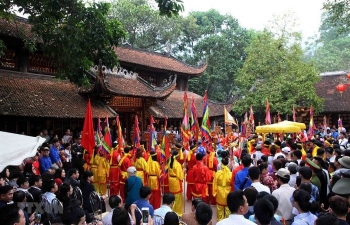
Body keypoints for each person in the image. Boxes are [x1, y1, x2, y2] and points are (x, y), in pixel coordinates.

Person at [167, 150, 184, 216]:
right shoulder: (177, 164)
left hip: (171, 180)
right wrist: (183, 171)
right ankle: (178, 213)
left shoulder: (170, 162)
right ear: (177, 157)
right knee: (177, 198)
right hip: (176, 181)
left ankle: (172, 211)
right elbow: (180, 176)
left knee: (172, 197)